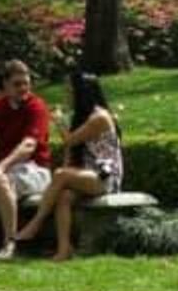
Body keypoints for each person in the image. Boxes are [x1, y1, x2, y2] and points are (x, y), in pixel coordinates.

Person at [14, 70, 123, 262]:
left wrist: (58, 121)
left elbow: (70, 140)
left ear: (81, 92)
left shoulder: (99, 117)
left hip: (105, 177)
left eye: (69, 90)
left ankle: (35, 224)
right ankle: (64, 249)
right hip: (87, 175)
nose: (67, 94)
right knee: (64, 196)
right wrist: (65, 172)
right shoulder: (83, 116)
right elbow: (72, 151)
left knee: (61, 175)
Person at [0, 59, 52, 261]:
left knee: (2, 180)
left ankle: (10, 244)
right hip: (4, 169)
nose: (24, 88)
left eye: (26, 83)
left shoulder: (37, 107)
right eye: (17, 84)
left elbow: (28, 146)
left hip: (35, 170)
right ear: (5, 85)